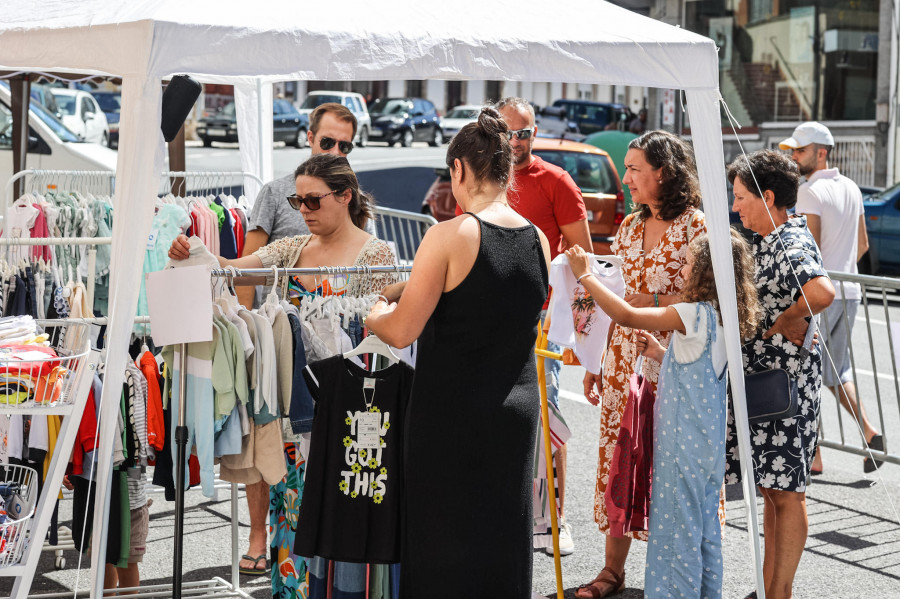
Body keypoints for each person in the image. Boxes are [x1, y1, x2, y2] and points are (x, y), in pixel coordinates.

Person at [169, 153, 397, 593]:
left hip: (350, 412)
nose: (304, 211)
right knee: (290, 515)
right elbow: (233, 267)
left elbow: (384, 336)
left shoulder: (377, 254)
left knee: (340, 521)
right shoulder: (293, 249)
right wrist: (193, 250)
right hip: (294, 409)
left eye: (313, 200)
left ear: (346, 196)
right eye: (298, 202)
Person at [363, 107, 552, 597]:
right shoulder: (538, 240)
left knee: (443, 542)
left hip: (451, 414)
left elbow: (401, 331)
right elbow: (494, 302)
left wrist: (373, 311)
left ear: (460, 170)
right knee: (504, 540)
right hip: (516, 411)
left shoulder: (448, 234)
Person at [565, 228, 761, 599]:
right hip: (707, 448)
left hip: (679, 447)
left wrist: (585, 274)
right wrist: (660, 353)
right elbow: (699, 367)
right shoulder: (724, 318)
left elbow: (625, 314)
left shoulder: (690, 314)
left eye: (688, 264)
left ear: (705, 272)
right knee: (703, 530)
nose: (682, 271)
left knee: (675, 531)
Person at [576, 130, 708, 599]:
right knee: (618, 459)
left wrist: (646, 300)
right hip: (621, 360)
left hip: (674, 360)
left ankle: (672, 576)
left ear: (664, 173)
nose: (627, 177)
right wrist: (594, 360)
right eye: (628, 168)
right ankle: (612, 571)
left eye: (635, 169)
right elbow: (616, 296)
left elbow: (704, 298)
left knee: (667, 465)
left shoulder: (698, 227)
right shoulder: (630, 226)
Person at [236, 101, 358, 576]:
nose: (336, 150)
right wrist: (248, 332)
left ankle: (310, 543)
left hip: (334, 336)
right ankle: (259, 534)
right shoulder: (276, 192)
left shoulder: (347, 194)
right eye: (328, 141)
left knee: (314, 443)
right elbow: (249, 260)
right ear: (308, 138)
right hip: (279, 335)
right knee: (270, 434)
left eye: (345, 145)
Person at [727, 149, 835, 599]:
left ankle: (780, 592)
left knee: (787, 494)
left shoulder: (790, 239)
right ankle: (770, 588)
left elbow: (822, 290)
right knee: (773, 491)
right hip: (770, 388)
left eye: (740, 197)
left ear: (767, 196)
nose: (736, 207)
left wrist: (785, 318)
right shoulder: (769, 236)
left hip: (785, 391)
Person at [497, 96, 592, 555]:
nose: (516, 141)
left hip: (539, 320)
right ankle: (507, 513)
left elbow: (582, 257)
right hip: (490, 318)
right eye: (508, 132)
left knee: (547, 418)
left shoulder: (557, 181)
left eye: (525, 132)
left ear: (535, 132)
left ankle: (555, 519)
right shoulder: (481, 179)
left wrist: (570, 323)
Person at [779, 122, 880, 474]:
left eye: (800, 150)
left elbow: (811, 249)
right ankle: (869, 432)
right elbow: (863, 244)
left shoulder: (808, 191)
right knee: (837, 372)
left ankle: (815, 454)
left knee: (806, 371)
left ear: (821, 152)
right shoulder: (852, 187)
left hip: (819, 294)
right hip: (849, 290)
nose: (794, 157)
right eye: (792, 150)